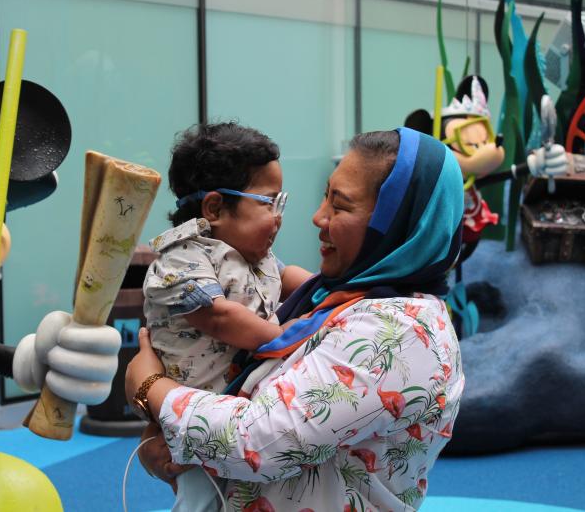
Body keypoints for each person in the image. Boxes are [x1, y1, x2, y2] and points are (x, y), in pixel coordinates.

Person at [127, 127, 465, 511]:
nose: (318, 217)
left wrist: (149, 386)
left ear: (398, 223)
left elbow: (256, 441)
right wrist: (164, 438)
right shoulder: (335, 298)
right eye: (325, 197)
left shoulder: (398, 331)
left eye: (340, 205)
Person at [141, 122, 310, 510]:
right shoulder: (183, 257)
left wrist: (326, 287)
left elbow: (287, 278)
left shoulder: (255, 258)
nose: (278, 217)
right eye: (269, 203)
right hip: (194, 412)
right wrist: (282, 335)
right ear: (215, 207)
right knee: (201, 496)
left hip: (236, 408)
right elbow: (218, 316)